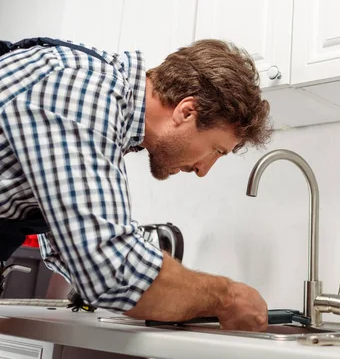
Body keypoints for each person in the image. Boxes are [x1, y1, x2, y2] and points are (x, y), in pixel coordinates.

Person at [0, 37, 272, 331]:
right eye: (216, 150)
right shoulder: (83, 88)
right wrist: (226, 297)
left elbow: (70, 254)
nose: (204, 170)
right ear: (187, 111)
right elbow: (110, 269)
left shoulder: (102, 103)